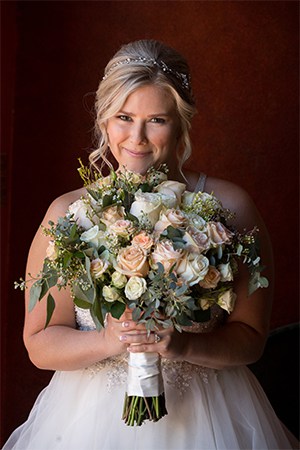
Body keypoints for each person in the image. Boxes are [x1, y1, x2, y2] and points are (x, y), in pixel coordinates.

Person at [3, 39, 297, 450]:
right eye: (124, 117)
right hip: (87, 420)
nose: (136, 137)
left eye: (156, 119)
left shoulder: (230, 208)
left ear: (181, 123)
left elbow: (251, 337)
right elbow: (39, 342)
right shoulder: (67, 214)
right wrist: (108, 341)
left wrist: (184, 344)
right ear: (105, 120)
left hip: (209, 415)